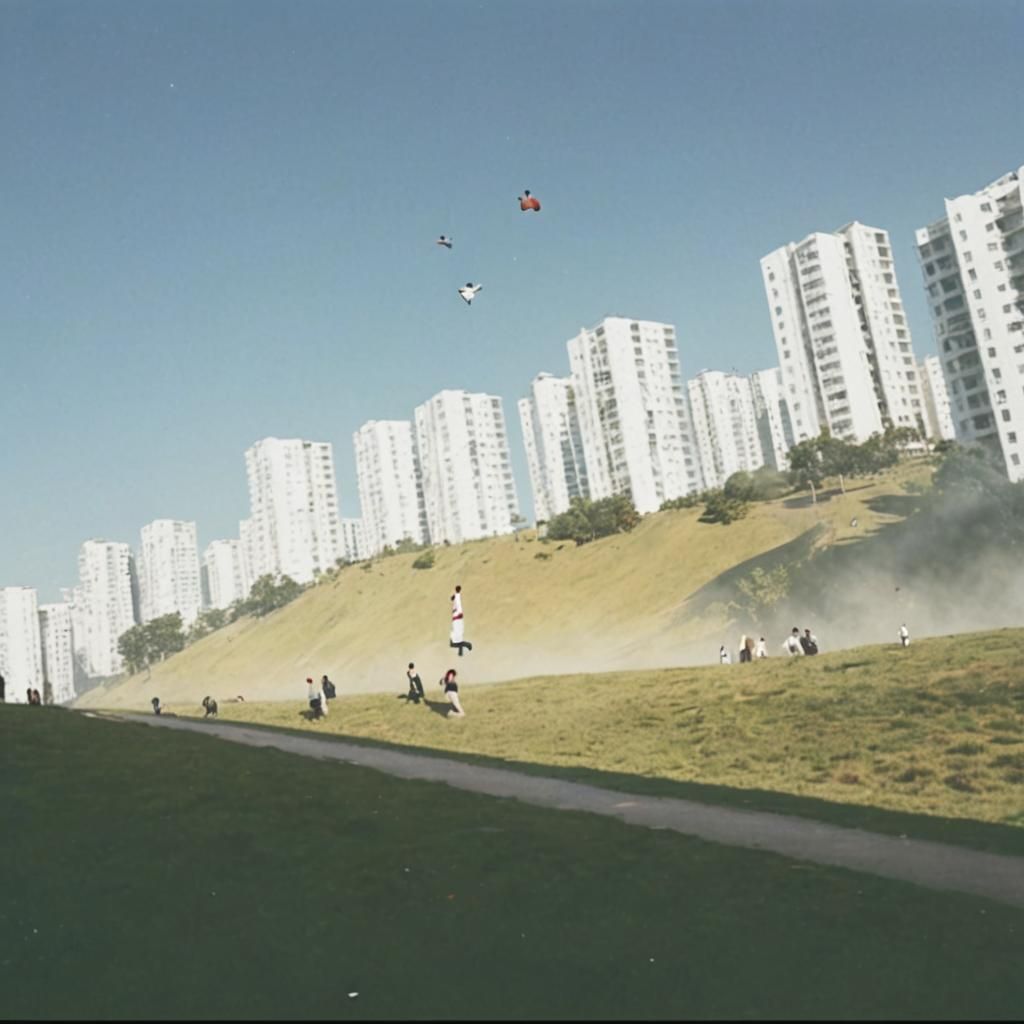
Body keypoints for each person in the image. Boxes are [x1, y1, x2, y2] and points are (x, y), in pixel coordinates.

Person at [450, 585, 473, 657]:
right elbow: (456, 602)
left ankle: (467, 645)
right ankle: (460, 652)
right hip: (456, 620)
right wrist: (454, 597)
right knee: (457, 638)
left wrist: (460, 613)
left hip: (457, 620)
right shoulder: (456, 598)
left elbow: (459, 604)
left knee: (454, 642)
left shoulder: (457, 597)